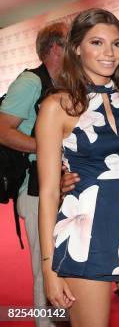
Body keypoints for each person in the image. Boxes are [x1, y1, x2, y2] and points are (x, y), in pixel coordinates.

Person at [36, 8, 119, 326]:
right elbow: (49, 192)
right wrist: (48, 267)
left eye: (117, 43)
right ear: (77, 48)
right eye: (97, 42)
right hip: (86, 227)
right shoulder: (57, 107)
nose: (109, 53)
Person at [0, 22, 66, 327]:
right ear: (55, 48)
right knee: (48, 270)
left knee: (65, 268)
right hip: (35, 189)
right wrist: (47, 147)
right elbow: (2, 130)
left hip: (62, 187)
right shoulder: (30, 82)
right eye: (71, 43)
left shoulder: (64, 83)